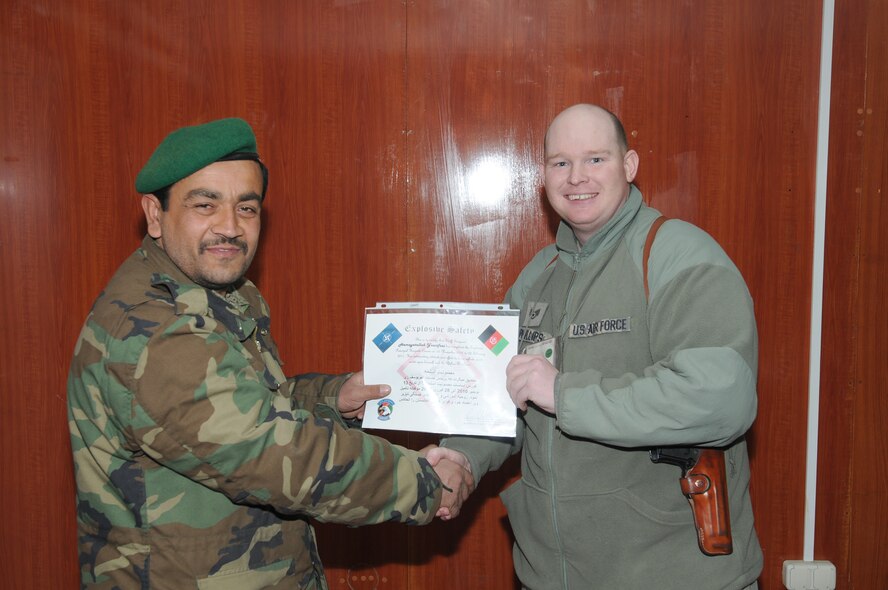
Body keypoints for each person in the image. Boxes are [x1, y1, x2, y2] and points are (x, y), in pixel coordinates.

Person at [66, 118, 473, 589]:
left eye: (247, 208)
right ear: (155, 215)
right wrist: (421, 482)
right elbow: (268, 451)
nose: (229, 228)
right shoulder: (152, 329)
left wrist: (331, 398)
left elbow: (249, 406)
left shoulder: (222, 294)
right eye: (205, 205)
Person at [431, 104, 763, 589]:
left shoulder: (677, 255)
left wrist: (565, 394)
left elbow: (721, 399)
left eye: (595, 159)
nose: (575, 177)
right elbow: (504, 399)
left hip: (671, 575)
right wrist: (461, 456)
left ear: (629, 166)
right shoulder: (537, 279)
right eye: (560, 163)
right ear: (543, 176)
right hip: (549, 575)